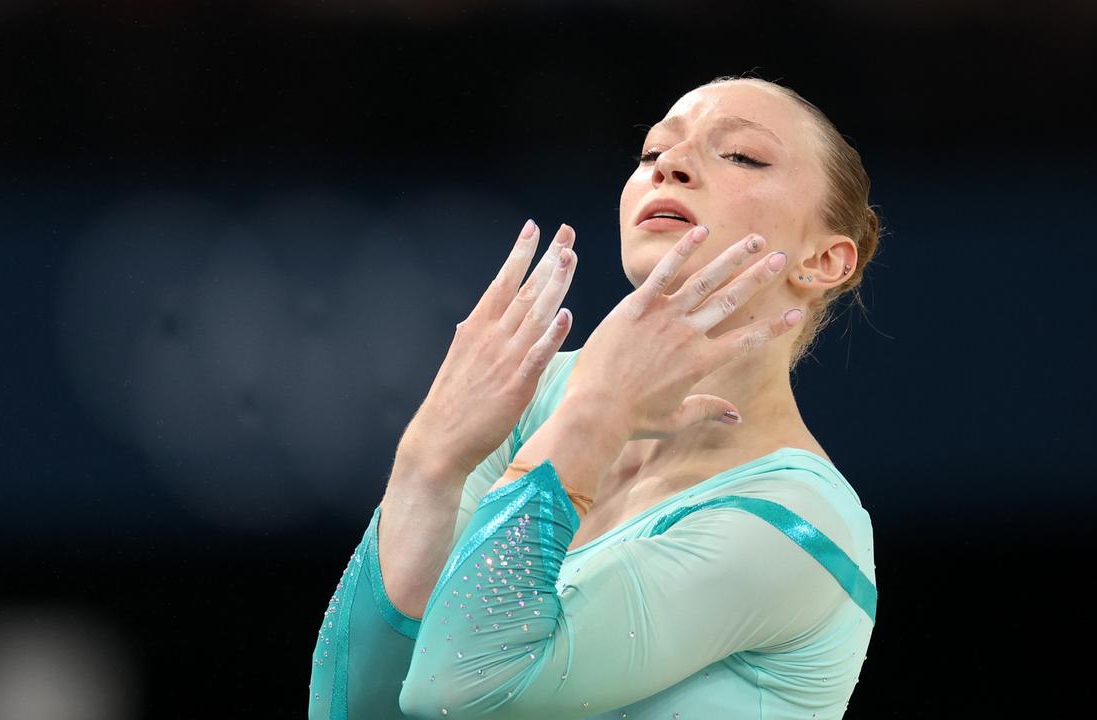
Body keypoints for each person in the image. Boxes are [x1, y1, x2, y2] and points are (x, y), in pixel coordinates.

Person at [308, 75, 882, 719]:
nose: (670, 165)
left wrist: (595, 415)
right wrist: (425, 463)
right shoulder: (534, 397)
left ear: (825, 261)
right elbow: (358, 708)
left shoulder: (799, 525)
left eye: (742, 155)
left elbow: (460, 692)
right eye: (651, 154)